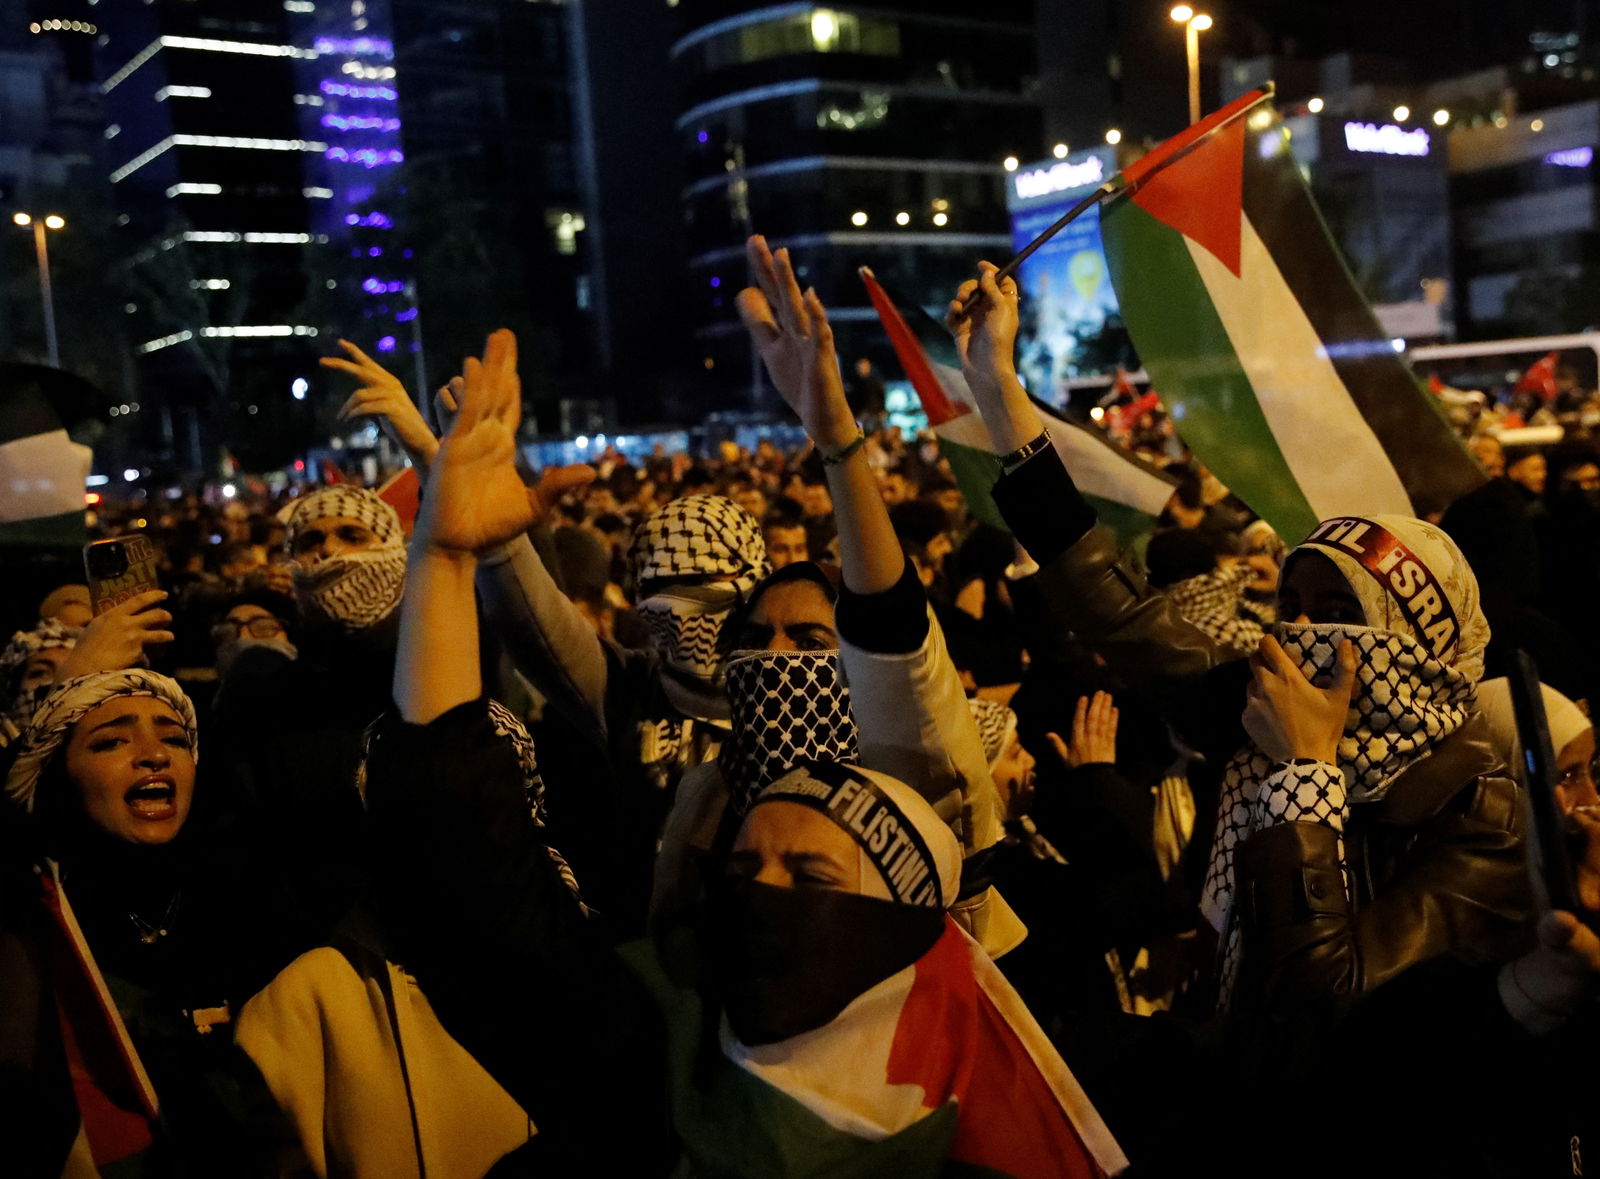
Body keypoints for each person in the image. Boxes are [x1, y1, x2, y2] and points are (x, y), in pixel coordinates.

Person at [947, 260, 1533, 1016]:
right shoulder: (1252, 705)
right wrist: (999, 392)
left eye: (1338, 610)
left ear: (1423, 634)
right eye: (1292, 605)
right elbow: (1116, 610)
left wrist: (1307, 773)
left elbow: (1323, 999)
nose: (1305, 633)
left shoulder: (1478, 810)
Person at [1, 669, 288, 1173]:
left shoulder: (257, 900)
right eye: (111, 742)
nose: (155, 755)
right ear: (60, 777)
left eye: (175, 738)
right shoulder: (37, 927)